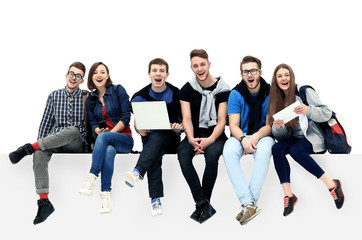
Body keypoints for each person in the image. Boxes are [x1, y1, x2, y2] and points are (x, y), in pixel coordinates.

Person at [9, 62, 87, 225]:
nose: (74, 78)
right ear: (66, 76)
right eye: (71, 74)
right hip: (54, 140)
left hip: (75, 142)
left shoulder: (87, 97)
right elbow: (45, 123)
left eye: (78, 75)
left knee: (72, 130)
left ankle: (27, 148)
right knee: (39, 153)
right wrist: (41, 143)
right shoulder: (54, 96)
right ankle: (44, 202)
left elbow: (92, 124)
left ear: (82, 80)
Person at [267, 63, 345, 216]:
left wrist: (308, 110)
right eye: (280, 76)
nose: (284, 78)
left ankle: (331, 184)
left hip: (312, 138)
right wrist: (277, 128)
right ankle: (289, 195)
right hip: (294, 138)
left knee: (296, 151)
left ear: (292, 77)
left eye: (286, 75)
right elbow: (281, 137)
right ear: (275, 80)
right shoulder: (276, 100)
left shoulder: (304, 91)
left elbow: (326, 113)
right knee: (276, 149)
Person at [177, 49, 231, 224]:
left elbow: (222, 120)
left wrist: (210, 140)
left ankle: (203, 203)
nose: (199, 69)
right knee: (183, 155)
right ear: (191, 68)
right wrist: (191, 138)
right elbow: (186, 118)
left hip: (215, 136)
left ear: (209, 64)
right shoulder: (187, 89)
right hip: (194, 135)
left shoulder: (223, 88)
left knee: (212, 155)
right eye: (195, 66)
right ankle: (202, 203)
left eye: (202, 64)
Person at [124, 58, 183, 217]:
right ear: (149, 74)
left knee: (157, 135)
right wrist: (139, 129)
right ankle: (155, 200)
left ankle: (138, 172)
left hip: (171, 140)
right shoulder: (139, 97)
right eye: (155, 70)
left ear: (167, 74)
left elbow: (186, 123)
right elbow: (137, 125)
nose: (158, 74)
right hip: (150, 143)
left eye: (162, 71)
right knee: (155, 154)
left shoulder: (177, 94)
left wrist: (179, 128)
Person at [222, 56, 275, 225]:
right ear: (241, 74)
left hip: (264, 134)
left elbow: (270, 125)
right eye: (246, 71)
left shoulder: (271, 92)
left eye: (253, 71)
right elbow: (233, 125)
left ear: (260, 72)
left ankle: (248, 203)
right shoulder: (235, 94)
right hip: (241, 135)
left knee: (265, 152)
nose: (250, 75)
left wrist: (255, 137)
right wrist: (244, 139)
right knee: (228, 152)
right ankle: (249, 204)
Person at [78, 62, 133, 214]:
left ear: (107, 75)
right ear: (92, 77)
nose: (99, 75)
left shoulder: (118, 90)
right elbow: (93, 122)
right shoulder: (91, 99)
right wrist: (98, 129)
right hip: (107, 142)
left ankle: (92, 177)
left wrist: (110, 134)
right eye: (96, 72)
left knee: (104, 138)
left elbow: (126, 117)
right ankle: (105, 195)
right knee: (108, 150)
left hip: (125, 139)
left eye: (103, 72)